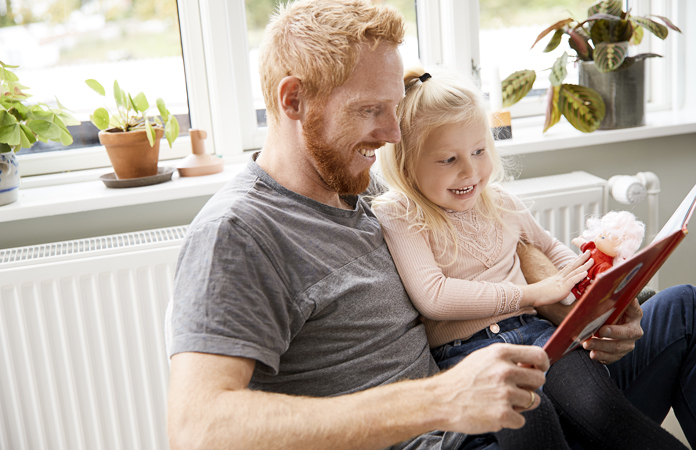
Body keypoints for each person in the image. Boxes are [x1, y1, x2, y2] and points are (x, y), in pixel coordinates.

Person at [167, 1, 696, 448]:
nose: (394, 134)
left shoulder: (366, 185)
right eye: (372, 110)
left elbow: (498, 240)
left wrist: (588, 314)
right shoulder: (239, 233)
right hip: (450, 432)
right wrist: (439, 399)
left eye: (395, 107)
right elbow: (199, 426)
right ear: (293, 100)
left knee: (683, 311)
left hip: (500, 399)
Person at [370, 66, 686, 449]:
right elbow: (433, 296)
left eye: (479, 151)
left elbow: (551, 248)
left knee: (604, 409)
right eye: (448, 160)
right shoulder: (400, 211)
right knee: (527, 416)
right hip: (471, 358)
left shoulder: (500, 200)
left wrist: (590, 279)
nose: (470, 170)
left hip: (541, 336)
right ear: (406, 164)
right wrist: (532, 294)